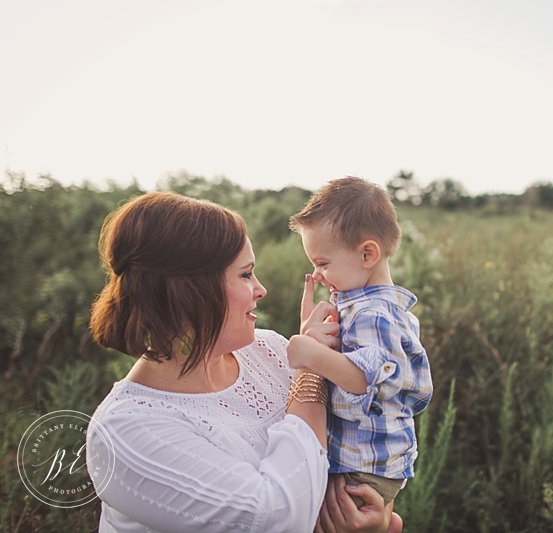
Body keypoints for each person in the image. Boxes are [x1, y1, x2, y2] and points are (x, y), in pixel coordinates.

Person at [85, 191, 400, 532]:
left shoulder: (271, 351)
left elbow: (365, 439)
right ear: (192, 292)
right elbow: (276, 518)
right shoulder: (126, 433)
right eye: (245, 274)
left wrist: (380, 515)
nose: (261, 289)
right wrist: (311, 370)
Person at [286, 177, 433, 507]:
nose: (318, 275)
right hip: (365, 462)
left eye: (323, 263)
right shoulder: (367, 308)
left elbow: (362, 379)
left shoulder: (375, 315)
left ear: (368, 254)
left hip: (362, 469)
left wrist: (308, 350)